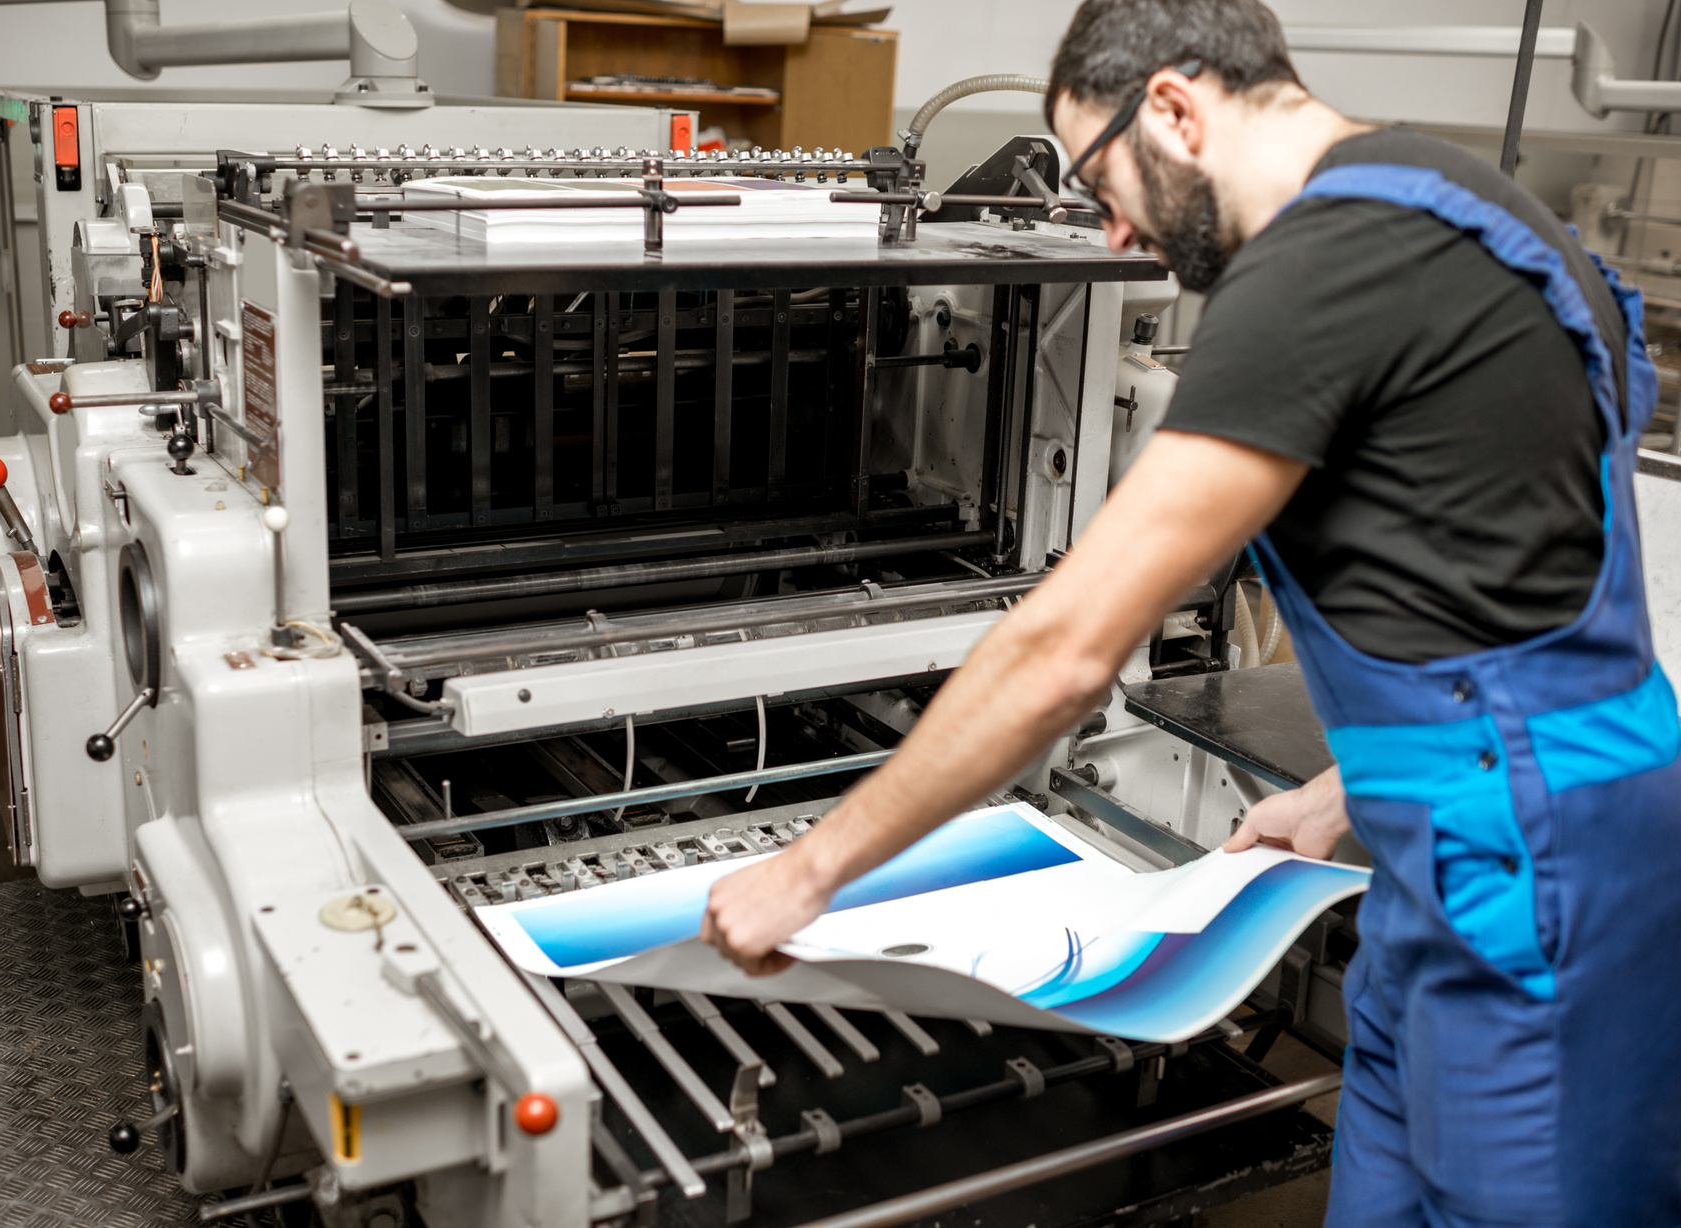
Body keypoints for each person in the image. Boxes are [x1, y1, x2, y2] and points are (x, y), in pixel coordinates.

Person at [698, 0, 1681, 1224]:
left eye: (1100, 177)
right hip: (1455, 838)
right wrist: (1342, 794)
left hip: (1539, 877)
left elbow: (1063, 650)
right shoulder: (1457, 202)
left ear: (1171, 105)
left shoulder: (1322, 265)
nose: (1109, 226)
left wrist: (806, 873)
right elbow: (1495, 571)